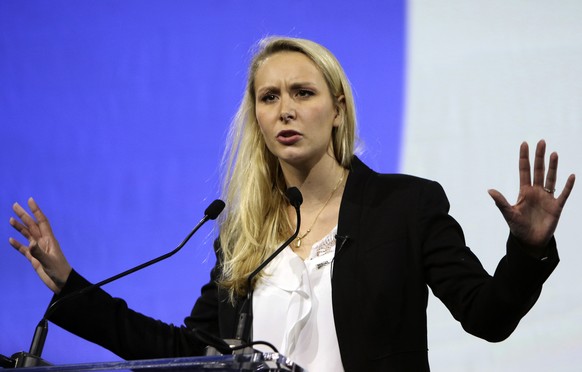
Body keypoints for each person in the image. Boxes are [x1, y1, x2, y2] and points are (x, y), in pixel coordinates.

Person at [9, 37, 576, 371]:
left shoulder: (407, 206)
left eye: (303, 93)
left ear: (337, 107)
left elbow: (487, 318)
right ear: (255, 116)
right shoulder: (244, 233)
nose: (285, 109)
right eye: (269, 96)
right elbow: (190, 352)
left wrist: (528, 252)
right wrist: (70, 286)